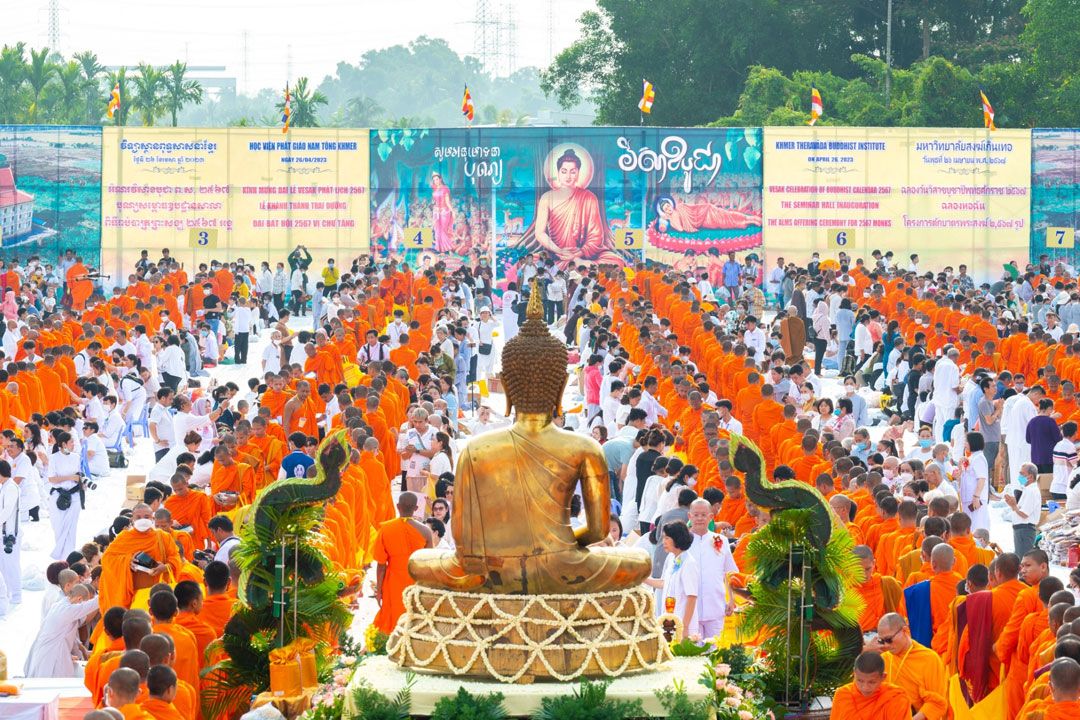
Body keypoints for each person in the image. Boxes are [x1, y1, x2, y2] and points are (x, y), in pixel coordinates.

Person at [866, 613, 947, 720]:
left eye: (889, 639)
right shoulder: (884, 659)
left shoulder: (929, 659)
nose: (886, 645)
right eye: (882, 641)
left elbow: (936, 703)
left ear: (905, 631)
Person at [372, 492, 432, 634]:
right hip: (416, 581)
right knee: (414, 616)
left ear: (398, 507)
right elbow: (429, 562)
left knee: (394, 617)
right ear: (416, 508)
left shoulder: (386, 529)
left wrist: (379, 590)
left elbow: (381, 565)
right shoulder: (425, 532)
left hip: (393, 582)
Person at [685, 498, 738, 639]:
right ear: (689, 516)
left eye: (703, 515)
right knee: (692, 654)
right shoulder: (683, 541)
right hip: (690, 608)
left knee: (714, 652)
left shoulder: (721, 540)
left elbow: (730, 573)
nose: (699, 519)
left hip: (715, 605)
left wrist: (732, 600)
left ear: (711, 517)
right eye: (696, 515)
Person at [23, 582, 100, 677]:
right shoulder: (67, 610)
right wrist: (106, 593)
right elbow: (91, 605)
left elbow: (67, 634)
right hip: (51, 654)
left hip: (51, 651)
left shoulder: (60, 605)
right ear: (79, 599)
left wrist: (76, 653)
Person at [644, 521, 699, 635]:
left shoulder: (689, 563)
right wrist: (642, 578)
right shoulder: (671, 558)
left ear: (677, 538)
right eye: (663, 538)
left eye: (667, 538)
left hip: (682, 624)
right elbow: (663, 583)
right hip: (669, 622)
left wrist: (685, 626)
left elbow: (692, 597)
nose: (663, 542)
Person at [829, 651, 913, 719]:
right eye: (860, 680)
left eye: (871, 682)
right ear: (854, 673)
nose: (865, 688)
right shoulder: (842, 695)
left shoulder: (895, 698)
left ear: (883, 677)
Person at [1005, 463, 1043, 559]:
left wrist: (1014, 506)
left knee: (1023, 561)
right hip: (1021, 530)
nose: (1019, 476)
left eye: (1022, 474)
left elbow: (1024, 513)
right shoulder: (1028, 489)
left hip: (1024, 530)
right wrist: (1013, 505)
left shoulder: (1032, 491)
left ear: (1030, 476)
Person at [0, 457, 20, 614]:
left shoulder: (11, 487)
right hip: (4, 532)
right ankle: (7, 593)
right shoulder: (5, 486)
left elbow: (6, 512)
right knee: (5, 566)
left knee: (11, 565)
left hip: (10, 534)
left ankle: (16, 594)